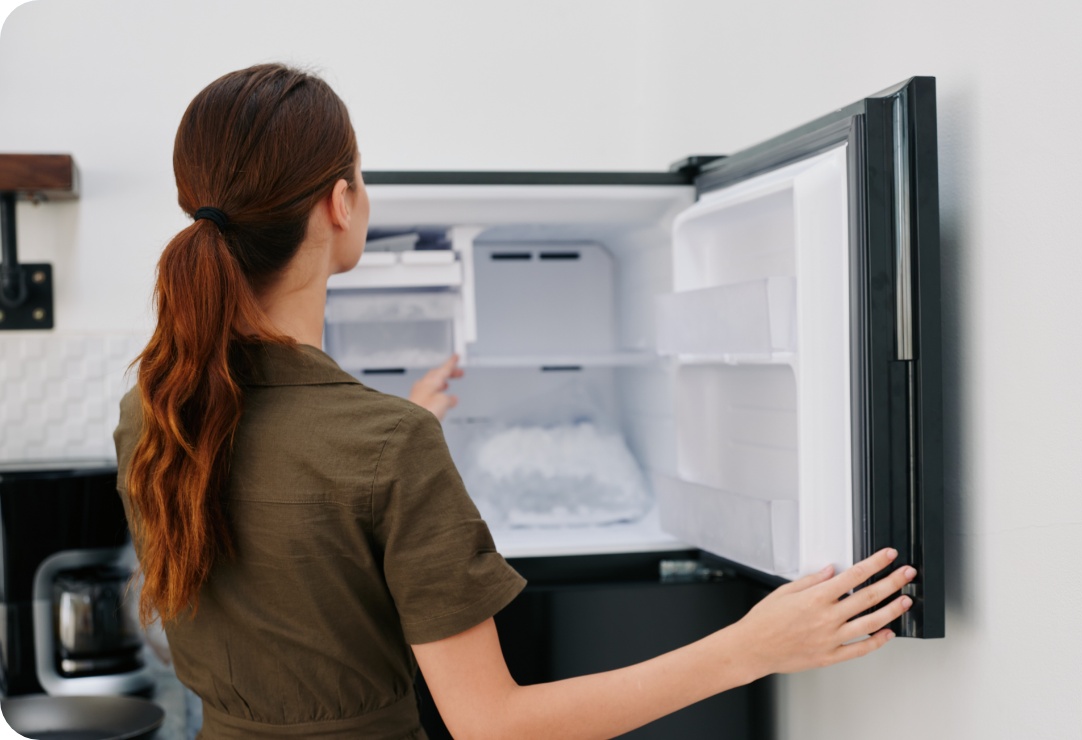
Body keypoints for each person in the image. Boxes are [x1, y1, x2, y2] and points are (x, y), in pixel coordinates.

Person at [114, 63, 916, 740]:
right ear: (340, 202)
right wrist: (750, 647)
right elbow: (494, 725)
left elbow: (296, 513)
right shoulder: (384, 447)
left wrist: (399, 435)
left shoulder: (154, 410)